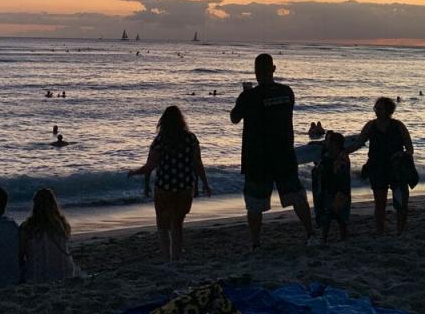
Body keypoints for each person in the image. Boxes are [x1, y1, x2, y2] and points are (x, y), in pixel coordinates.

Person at [230, 54, 316, 250]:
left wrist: (244, 98)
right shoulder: (287, 92)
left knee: (254, 202)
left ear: (255, 71)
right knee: (296, 195)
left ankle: (256, 243)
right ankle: (311, 234)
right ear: (273, 69)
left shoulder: (248, 97)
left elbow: (234, 118)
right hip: (283, 153)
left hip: (257, 157)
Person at [128, 106, 211, 261]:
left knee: (162, 223)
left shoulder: (160, 140)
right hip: (185, 186)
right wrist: (204, 184)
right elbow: (197, 163)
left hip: (164, 186)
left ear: (163, 122)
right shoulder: (191, 138)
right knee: (177, 223)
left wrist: (136, 173)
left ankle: (167, 257)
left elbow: (150, 166)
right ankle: (176, 257)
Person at [347, 97, 415, 234]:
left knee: (401, 202)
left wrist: (402, 155)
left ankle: (400, 231)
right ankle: (380, 231)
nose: (376, 111)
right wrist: (342, 152)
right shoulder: (370, 125)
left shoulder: (398, 125)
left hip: (396, 169)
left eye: (379, 108)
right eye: (375, 108)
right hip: (376, 167)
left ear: (388, 111)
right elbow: (358, 143)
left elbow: (410, 149)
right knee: (379, 203)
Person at [19, 188, 77, 283]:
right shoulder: (62, 225)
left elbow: (20, 254)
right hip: (65, 273)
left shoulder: (28, 227)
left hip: (37, 275)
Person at [312, 131, 350, 244]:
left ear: (335, 144)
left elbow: (338, 174)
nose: (325, 143)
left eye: (327, 141)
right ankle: (324, 238)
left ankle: (343, 237)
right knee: (326, 216)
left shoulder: (341, 158)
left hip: (339, 191)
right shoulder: (327, 154)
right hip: (327, 190)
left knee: (341, 216)